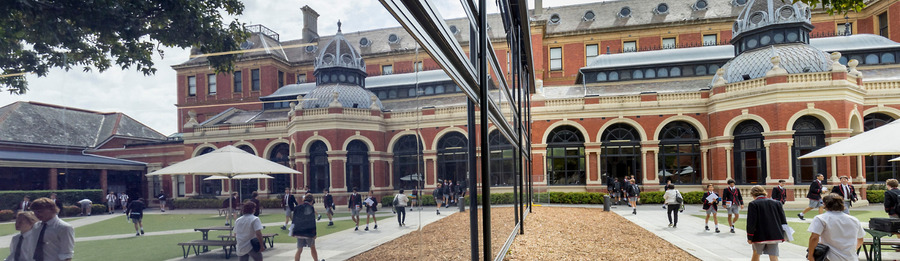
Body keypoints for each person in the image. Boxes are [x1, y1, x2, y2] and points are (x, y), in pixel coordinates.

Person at [807, 193, 865, 261]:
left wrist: (810, 255)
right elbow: (860, 239)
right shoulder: (854, 220)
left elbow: (814, 238)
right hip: (851, 257)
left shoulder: (821, 218)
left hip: (830, 257)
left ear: (825, 205)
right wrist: (852, 251)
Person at [746, 185, 787, 261]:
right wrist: (783, 233)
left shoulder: (753, 204)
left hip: (759, 234)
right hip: (774, 234)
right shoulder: (777, 203)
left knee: (756, 254)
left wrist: (750, 236)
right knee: (773, 255)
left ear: (752, 194)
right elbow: (783, 220)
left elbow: (751, 222)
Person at [292, 196, 319, 261]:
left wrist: (293, 231)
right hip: (308, 232)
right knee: (312, 248)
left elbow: (294, 220)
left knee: (299, 249)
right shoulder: (311, 207)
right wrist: (314, 233)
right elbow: (312, 221)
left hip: (299, 231)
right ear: (311, 201)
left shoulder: (297, 207)